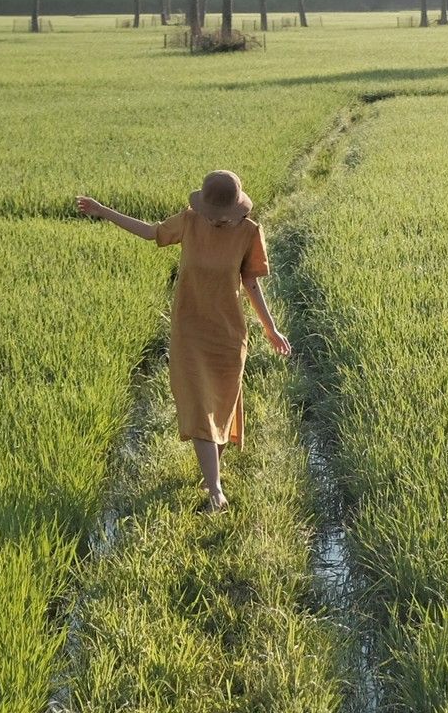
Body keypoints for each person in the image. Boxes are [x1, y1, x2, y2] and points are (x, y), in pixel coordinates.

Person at [76, 170, 291, 510]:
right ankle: (217, 491)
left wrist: (271, 327)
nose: (218, 221)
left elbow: (250, 282)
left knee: (220, 403)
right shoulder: (189, 221)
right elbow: (151, 232)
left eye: (224, 216)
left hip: (228, 333)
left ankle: (211, 477)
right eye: (214, 216)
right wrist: (104, 211)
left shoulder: (250, 232)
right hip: (189, 330)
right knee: (197, 404)